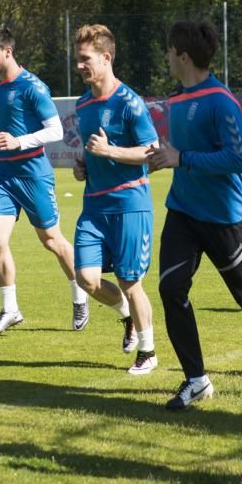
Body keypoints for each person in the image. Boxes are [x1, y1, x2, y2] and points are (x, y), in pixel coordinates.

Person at [148, 20, 242, 409]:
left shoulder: (221, 100)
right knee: (171, 290)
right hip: (182, 213)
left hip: (224, 218)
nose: (167, 57)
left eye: (170, 51)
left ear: (184, 56)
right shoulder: (177, 98)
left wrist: (182, 158)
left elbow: (238, 159)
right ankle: (196, 380)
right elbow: (181, 151)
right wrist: (164, 155)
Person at [0, 26, 88, 336]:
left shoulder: (32, 87)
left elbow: (56, 131)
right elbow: (8, 126)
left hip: (33, 175)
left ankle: (80, 295)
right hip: (3, 176)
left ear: (8, 52)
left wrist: (18, 142)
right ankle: (10, 309)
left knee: (52, 241)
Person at [71, 24, 160, 374]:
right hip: (94, 204)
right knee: (86, 278)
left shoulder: (130, 103)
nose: (79, 65)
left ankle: (148, 351)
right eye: (77, 59)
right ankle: (127, 317)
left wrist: (110, 151)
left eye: (85, 59)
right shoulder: (82, 104)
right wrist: (85, 164)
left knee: (130, 281)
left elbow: (153, 153)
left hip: (129, 204)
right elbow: (94, 152)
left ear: (106, 58)